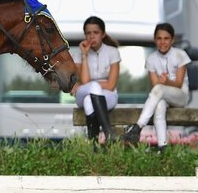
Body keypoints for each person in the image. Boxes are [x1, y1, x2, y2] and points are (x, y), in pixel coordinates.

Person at [122, 22, 190, 151]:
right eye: (159, 38)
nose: (162, 42)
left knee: (159, 90)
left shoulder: (180, 54)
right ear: (155, 40)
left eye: (166, 38)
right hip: (162, 94)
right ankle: (162, 146)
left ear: (172, 40)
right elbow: (154, 86)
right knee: (159, 106)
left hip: (180, 96)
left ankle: (138, 127)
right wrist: (162, 82)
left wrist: (166, 81)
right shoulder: (151, 59)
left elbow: (179, 83)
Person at [72, 16, 121, 146]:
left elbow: (111, 85)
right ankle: (108, 132)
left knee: (89, 100)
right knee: (92, 87)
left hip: (108, 95)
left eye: (96, 32)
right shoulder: (78, 54)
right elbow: (85, 81)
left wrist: (89, 84)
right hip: (82, 93)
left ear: (103, 34)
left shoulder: (113, 52)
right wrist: (84, 55)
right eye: (88, 33)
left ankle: (94, 145)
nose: (92, 36)